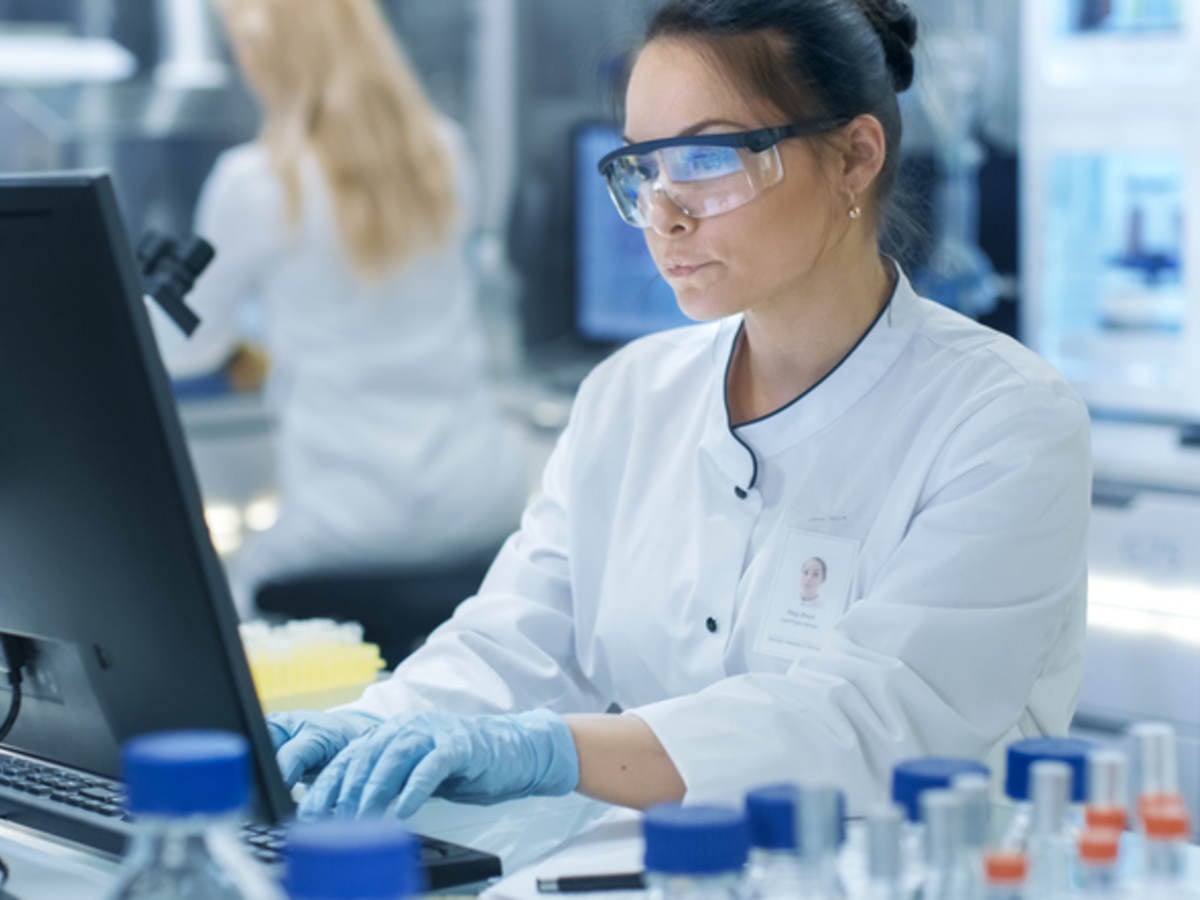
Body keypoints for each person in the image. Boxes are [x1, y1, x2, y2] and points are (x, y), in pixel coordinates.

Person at [269, 0, 1091, 819]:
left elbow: (877, 719)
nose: (665, 212)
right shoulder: (632, 395)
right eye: (643, 167)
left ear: (854, 157)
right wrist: (361, 728)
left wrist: (554, 750)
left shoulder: (1003, 421)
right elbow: (514, 643)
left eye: (706, 158)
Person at [150, 0, 528, 617]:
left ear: (274, 54)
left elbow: (185, 350)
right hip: (478, 501)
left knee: (220, 601)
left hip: (345, 526)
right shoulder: (446, 152)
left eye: (242, 47)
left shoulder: (256, 181)